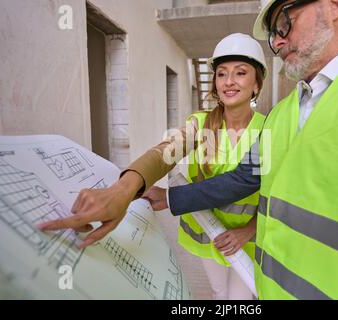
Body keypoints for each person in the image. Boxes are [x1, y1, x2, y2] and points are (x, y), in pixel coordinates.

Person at [144, 0, 338, 300]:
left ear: (334, 4)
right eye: (273, 33)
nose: (276, 40)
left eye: (285, 22)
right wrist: (159, 192)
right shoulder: (281, 115)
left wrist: (246, 231)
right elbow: (242, 180)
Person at [39, 33, 268, 300]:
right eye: (221, 74)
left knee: (240, 298)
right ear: (215, 84)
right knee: (219, 292)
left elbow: (269, 191)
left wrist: (248, 229)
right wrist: (125, 188)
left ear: (256, 85)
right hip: (207, 233)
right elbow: (165, 153)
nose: (229, 81)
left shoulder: (268, 128)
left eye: (240, 73)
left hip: (247, 237)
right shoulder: (200, 123)